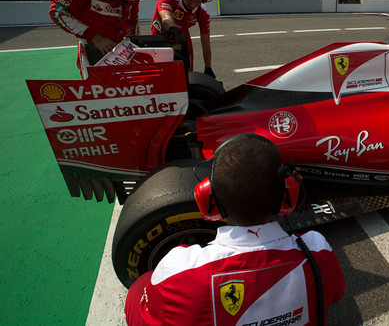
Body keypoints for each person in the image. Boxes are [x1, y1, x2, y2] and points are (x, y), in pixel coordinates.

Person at [125, 133, 345, 325]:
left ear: (209, 200)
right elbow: (336, 293)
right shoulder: (318, 251)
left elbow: (136, 309)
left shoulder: (177, 271)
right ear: (287, 197)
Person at [151, 0, 216, 77]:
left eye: (197, 2)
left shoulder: (202, 11)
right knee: (162, 71)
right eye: (190, 0)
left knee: (187, 67)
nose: (193, 5)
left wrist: (208, 67)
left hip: (182, 34)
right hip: (162, 33)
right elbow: (165, 16)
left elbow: (205, 40)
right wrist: (172, 27)